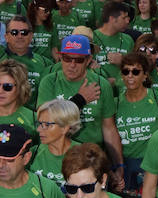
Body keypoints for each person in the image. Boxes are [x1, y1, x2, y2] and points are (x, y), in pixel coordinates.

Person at [37, 34, 125, 187]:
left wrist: (118, 165)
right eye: (67, 58)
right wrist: (80, 100)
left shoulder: (100, 84)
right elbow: (48, 121)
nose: (72, 65)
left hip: (91, 161)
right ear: (60, 57)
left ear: (88, 60)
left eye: (78, 60)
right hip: (54, 158)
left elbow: (109, 128)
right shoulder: (49, 82)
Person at [115, 51, 158, 192]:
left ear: (145, 75)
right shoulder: (115, 103)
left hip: (153, 166)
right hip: (127, 168)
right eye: (126, 71)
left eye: (135, 71)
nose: (130, 76)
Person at [30, 98, 81, 187]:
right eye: (39, 124)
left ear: (64, 128)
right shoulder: (32, 153)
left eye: (47, 125)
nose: (38, 129)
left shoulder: (84, 155)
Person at [93, 0, 134, 83]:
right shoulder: (91, 38)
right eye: (124, 18)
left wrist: (123, 61)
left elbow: (136, 69)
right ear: (112, 19)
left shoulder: (128, 40)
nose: (127, 21)